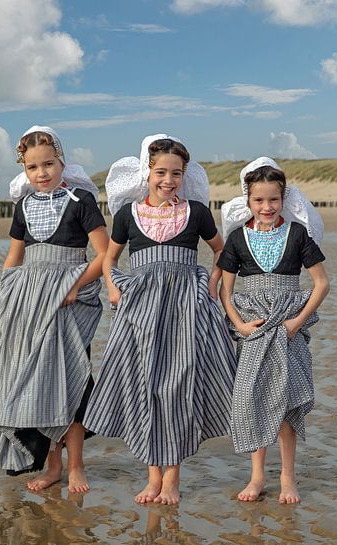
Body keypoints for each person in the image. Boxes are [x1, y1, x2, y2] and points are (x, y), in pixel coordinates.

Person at [84, 134, 237, 505]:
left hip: (185, 308)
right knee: (146, 386)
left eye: (176, 174)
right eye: (161, 172)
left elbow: (222, 251)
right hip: (140, 310)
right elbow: (110, 257)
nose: (168, 181)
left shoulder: (196, 213)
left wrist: (212, 284)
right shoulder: (127, 215)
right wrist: (114, 288)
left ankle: (172, 480)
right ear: (147, 173)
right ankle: (152, 477)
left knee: (178, 386)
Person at [0, 126, 109, 493]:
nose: (42, 173)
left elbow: (104, 253)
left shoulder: (81, 201)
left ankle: (77, 465)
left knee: (71, 381)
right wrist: (7, 297)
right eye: (33, 167)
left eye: (48, 164)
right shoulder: (23, 206)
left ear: (61, 161)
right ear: (25, 170)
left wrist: (74, 287)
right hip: (28, 300)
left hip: (70, 299)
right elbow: (15, 256)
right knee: (38, 382)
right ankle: (53, 466)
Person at [218, 157, 329, 503]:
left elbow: (321, 284)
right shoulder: (237, 238)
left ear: (284, 199)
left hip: (288, 332)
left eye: (273, 200)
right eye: (259, 200)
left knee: (285, 404)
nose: (266, 207)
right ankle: (256, 477)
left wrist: (296, 323)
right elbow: (225, 289)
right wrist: (238, 324)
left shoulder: (297, 234)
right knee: (250, 401)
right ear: (247, 201)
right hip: (253, 331)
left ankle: (287, 477)